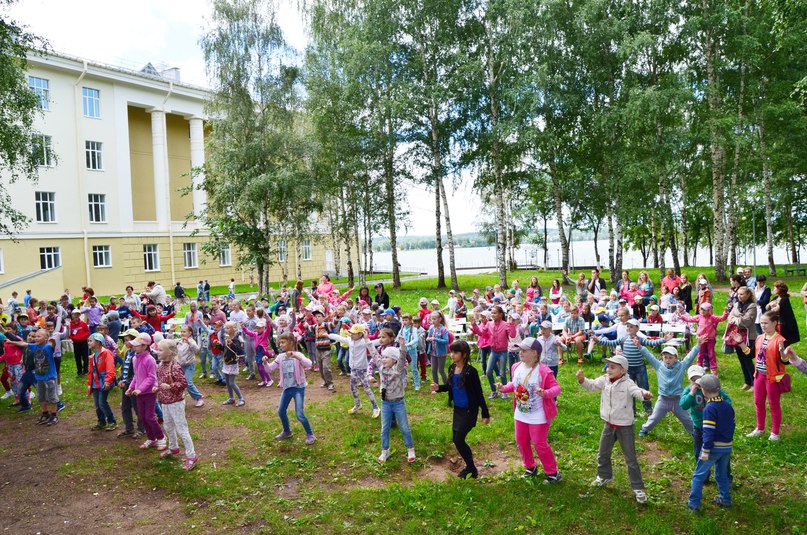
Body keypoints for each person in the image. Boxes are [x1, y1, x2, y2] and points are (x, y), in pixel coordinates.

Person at [577, 355, 653, 504]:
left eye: (612, 367)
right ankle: (604, 476)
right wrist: (582, 380)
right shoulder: (605, 380)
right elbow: (592, 385)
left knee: (631, 458)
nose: (608, 370)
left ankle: (638, 488)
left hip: (625, 426)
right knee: (603, 453)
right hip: (609, 424)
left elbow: (637, 391)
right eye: (608, 367)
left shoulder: (628, 383)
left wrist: (645, 395)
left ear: (622, 370)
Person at [496, 337, 561, 483]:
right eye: (520, 350)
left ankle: (553, 473)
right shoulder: (516, 367)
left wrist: (545, 393)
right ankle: (530, 467)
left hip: (538, 414)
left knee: (539, 443)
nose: (521, 353)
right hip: (520, 413)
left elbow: (557, 388)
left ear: (535, 353)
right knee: (521, 441)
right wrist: (504, 388)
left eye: (524, 350)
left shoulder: (543, 371)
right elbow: (514, 384)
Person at [431, 340, 490, 479]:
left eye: (456, 352)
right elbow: (450, 386)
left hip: (469, 411)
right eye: (451, 351)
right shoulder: (452, 368)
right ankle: (470, 467)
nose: (452, 354)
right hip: (458, 410)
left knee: (458, 440)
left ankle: (471, 468)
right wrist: (439, 388)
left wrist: (485, 413)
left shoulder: (471, 372)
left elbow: (478, 393)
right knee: (456, 439)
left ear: (464, 354)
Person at [734, 312, 788, 441]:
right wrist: (740, 342)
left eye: (766, 323)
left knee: (774, 404)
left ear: (774, 323)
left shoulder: (781, 340)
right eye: (762, 323)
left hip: (773, 378)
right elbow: (751, 354)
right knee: (758, 402)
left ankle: (775, 433)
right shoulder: (759, 338)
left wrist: (782, 352)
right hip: (759, 376)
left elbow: (785, 361)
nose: (763, 325)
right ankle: (760, 428)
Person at [687, 374, 734, 512]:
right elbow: (732, 425)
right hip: (726, 447)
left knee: (699, 475)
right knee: (721, 475)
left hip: (713, 448)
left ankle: (693, 503)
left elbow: (708, 431)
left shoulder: (709, 408)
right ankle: (725, 499)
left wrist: (706, 450)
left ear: (704, 391)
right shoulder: (727, 406)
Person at [680, 365, 733, 485]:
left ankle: (726, 477)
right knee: (699, 452)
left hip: (715, 427)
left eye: (699, 378)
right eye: (693, 379)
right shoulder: (689, 390)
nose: (696, 382)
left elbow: (728, 401)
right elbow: (683, 405)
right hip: (699, 426)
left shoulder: (713, 389)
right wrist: (691, 393)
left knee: (720, 452)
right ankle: (704, 476)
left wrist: (721, 410)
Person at [155, 338, 199, 470]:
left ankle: (192, 456)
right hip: (165, 402)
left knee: (181, 429)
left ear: (170, 352)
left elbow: (183, 383)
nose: (157, 352)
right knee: (168, 426)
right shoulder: (161, 365)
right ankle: (173, 447)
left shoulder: (175, 366)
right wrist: (158, 387)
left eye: (160, 350)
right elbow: (161, 380)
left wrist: (170, 386)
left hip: (176, 403)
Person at [637, 344, 698, 438]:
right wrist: (640, 347)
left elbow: (690, 357)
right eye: (665, 357)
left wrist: (698, 345)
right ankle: (644, 429)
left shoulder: (681, 366)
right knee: (654, 418)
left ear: (676, 358)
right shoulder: (658, 365)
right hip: (663, 399)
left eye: (670, 357)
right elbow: (649, 356)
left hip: (677, 400)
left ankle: (695, 432)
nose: (667, 360)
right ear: (662, 357)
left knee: (686, 419)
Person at [266, 332, 316, 444]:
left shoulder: (298, 355)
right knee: (281, 411)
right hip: (287, 388)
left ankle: (310, 434)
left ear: (291, 342)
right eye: (280, 342)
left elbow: (309, 364)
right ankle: (287, 431)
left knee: (299, 415)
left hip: (298, 388)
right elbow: (269, 369)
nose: (280, 344)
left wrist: (296, 356)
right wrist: (265, 363)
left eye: (283, 342)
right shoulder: (280, 357)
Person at [374, 346, 416, 464]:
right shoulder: (381, 368)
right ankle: (385, 451)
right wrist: (367, 340)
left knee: (404, 427)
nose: (383, 359)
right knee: (384, 428)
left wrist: (402, 347)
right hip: (385, 403)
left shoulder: (398, 370)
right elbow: (374, 353)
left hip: (398, 403)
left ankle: (410, 449)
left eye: (386, 357)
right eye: (383, 357)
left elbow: (402, 358)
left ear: (394, 360)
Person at [125, 333, 167, 450]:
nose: (134, 347)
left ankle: (161, 437)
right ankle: (151, 438)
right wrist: (131, 388)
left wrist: (140, 389)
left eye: (136, 345)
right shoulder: (135, 358)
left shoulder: (150, 360)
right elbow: (136, 376)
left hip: (149, 393)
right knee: (142, 417)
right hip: (139, 393)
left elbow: (151, 378)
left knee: (150, 417)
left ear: (144, 346)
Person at [329, 323, 380, 417]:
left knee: (367, 389)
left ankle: (376, 407)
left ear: (360, 334)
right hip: (353, 369)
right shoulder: (350, 340)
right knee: (352, 388)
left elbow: (375, 342)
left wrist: (384, 340)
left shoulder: (364, 342)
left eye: (354, 333)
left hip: (362, 369)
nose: (351, 335)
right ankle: (357, 405)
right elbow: (339, 338)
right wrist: (328, 335)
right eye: (351, 333)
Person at [677, 303, 730, 376]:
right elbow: (689, 319)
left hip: (710, 339)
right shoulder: (698, 317)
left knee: (711, 354)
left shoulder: (712, 318)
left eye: (704, 310)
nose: (702, 311)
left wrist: (725, 313)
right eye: (701, 309)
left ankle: (713, 368)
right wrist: (681, 316)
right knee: (700, 353)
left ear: (709, 310)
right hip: (701, 339)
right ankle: (698, 367)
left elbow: (721, 318)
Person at [726, 286, 757, 390]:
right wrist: (738, 319)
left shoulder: (752, 306)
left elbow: (746, 322)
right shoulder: (736, 304)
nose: (739, 296)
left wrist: (736, 319)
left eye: (742, 294)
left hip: (748, 336)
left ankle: (754, 383)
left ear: (748, 295)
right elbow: (730, 317)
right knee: (742, 360)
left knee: (747, 359)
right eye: (738, 294)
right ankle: (747, 381)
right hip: (737, 336)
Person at [87, 332, 118, 431]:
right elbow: (91, 371)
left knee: (102, 403)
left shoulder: (106, 353)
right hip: (95, 383)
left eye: (91, 340)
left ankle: (112, 421)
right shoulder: (92, 356)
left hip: (103, 382)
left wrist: (108, 381)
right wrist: (89, 384)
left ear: (98, 342)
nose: (88, 342)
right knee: (97, 404)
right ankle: (101, 422)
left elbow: (110, 368)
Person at [176, 326, 204, 407]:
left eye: (184, 332)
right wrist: (170, 332)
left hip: (189, 365)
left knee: (188, 383)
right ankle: (179, 397)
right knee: (179, 382)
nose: (182, 333)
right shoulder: (179, 341)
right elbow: (170, 342)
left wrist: (189, 342)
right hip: (180, 365)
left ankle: (199, 397)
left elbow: (197, 350)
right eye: (181, 331)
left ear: (190, 333)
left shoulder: (191, 341)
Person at [766, 281, 800, 347]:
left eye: (775, 288)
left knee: (782, 342)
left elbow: (776, 310)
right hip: (775, 323)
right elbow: (767, 307)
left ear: (780, 289)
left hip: (782, 325)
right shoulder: (776, 298)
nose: (774, 289)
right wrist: (769, 305)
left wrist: (773, 306)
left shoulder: (784, 299)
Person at [220, 321, 245, 406]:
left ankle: (241, 398)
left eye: (227, 328)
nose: (225, 330)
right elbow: (224, 349)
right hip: (226, 362)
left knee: (231, 382)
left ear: (233, 329)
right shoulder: (227, 338)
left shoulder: (237, 339)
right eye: (225, 328)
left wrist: (232, 344)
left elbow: (238, 350)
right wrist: (218, 345)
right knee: (227, 382)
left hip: (233, 363)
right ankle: (231, 398)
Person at [426, 310, 450, 385]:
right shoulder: (431, 328)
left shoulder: (443, 329)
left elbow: (446, 341)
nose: (433, 321)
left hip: (441, 353)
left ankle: (447, 385)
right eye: (431, 319)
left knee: (441, 370)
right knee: (433, 370)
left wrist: (435, 339)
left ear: (440, 319)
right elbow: (429, 337)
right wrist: (428, 339)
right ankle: (436, 386)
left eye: (434, 319)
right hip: (433, 352)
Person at [69, 309, 90, 377]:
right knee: (77, 358)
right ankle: (79, 371)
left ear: (79, 315)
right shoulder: (70, 324)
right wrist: (75, 338)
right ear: (72, 315)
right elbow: (69, 334)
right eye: (74, 314)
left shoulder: (83, 323)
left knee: (85, 357)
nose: (76, 316)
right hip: (76, 343)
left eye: (77, 314)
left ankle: (85, 371)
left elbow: (87, 332)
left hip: (83, 342)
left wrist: (82, 337)